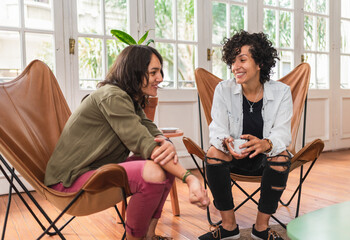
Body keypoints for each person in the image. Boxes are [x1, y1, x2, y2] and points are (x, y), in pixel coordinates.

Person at [44, 45, 210, 240]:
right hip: (70, 182)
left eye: (160, 72)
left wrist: (166, 142)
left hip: (95, 171)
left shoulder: (128, 98)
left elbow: (150, 130)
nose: (160, 78)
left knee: (163, 164)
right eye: (153, 72)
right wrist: (190, 179)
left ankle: (149, 235)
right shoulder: (112, 96)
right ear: (134, 72)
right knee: (153, 171)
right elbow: (143, 143)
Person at [198, 30, 293, 240]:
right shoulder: (223, 89)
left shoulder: (282, 92)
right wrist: (226, 142)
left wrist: (266, 144)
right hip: (233, 156)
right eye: (233, 61)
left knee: (281, 156)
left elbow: (283, 132)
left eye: (242, 59)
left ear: (259, 63)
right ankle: (228, 227)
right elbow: (217, 128)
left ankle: (261, 228)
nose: (235, 67)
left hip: (265, 158)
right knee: (213, 152)